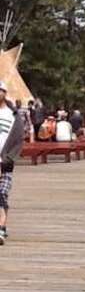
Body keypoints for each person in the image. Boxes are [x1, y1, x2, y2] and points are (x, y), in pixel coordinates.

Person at [0, 82, 25, 244]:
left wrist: (8, 159)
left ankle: (1, 228)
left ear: (4, 93)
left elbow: (18, 140)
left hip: (5, 162)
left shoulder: (13, 115)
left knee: (2, 194)